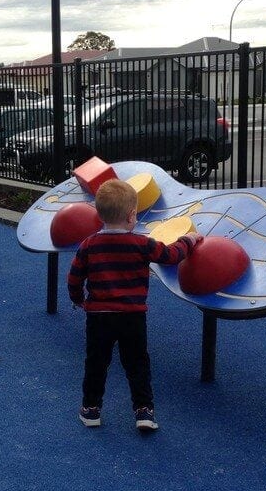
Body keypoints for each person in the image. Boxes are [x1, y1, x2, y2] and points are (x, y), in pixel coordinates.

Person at [67, 179, 202, 432]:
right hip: (132, 317)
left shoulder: (89, 245)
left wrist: (77, 299)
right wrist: (189, 239)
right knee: (137, 364)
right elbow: (171, 255)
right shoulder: (142, 244)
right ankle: (144, 411)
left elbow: (74, 277)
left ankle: (91, 409)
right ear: (131, 216)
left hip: (99, 317)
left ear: (99, 215)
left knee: (96, 363)